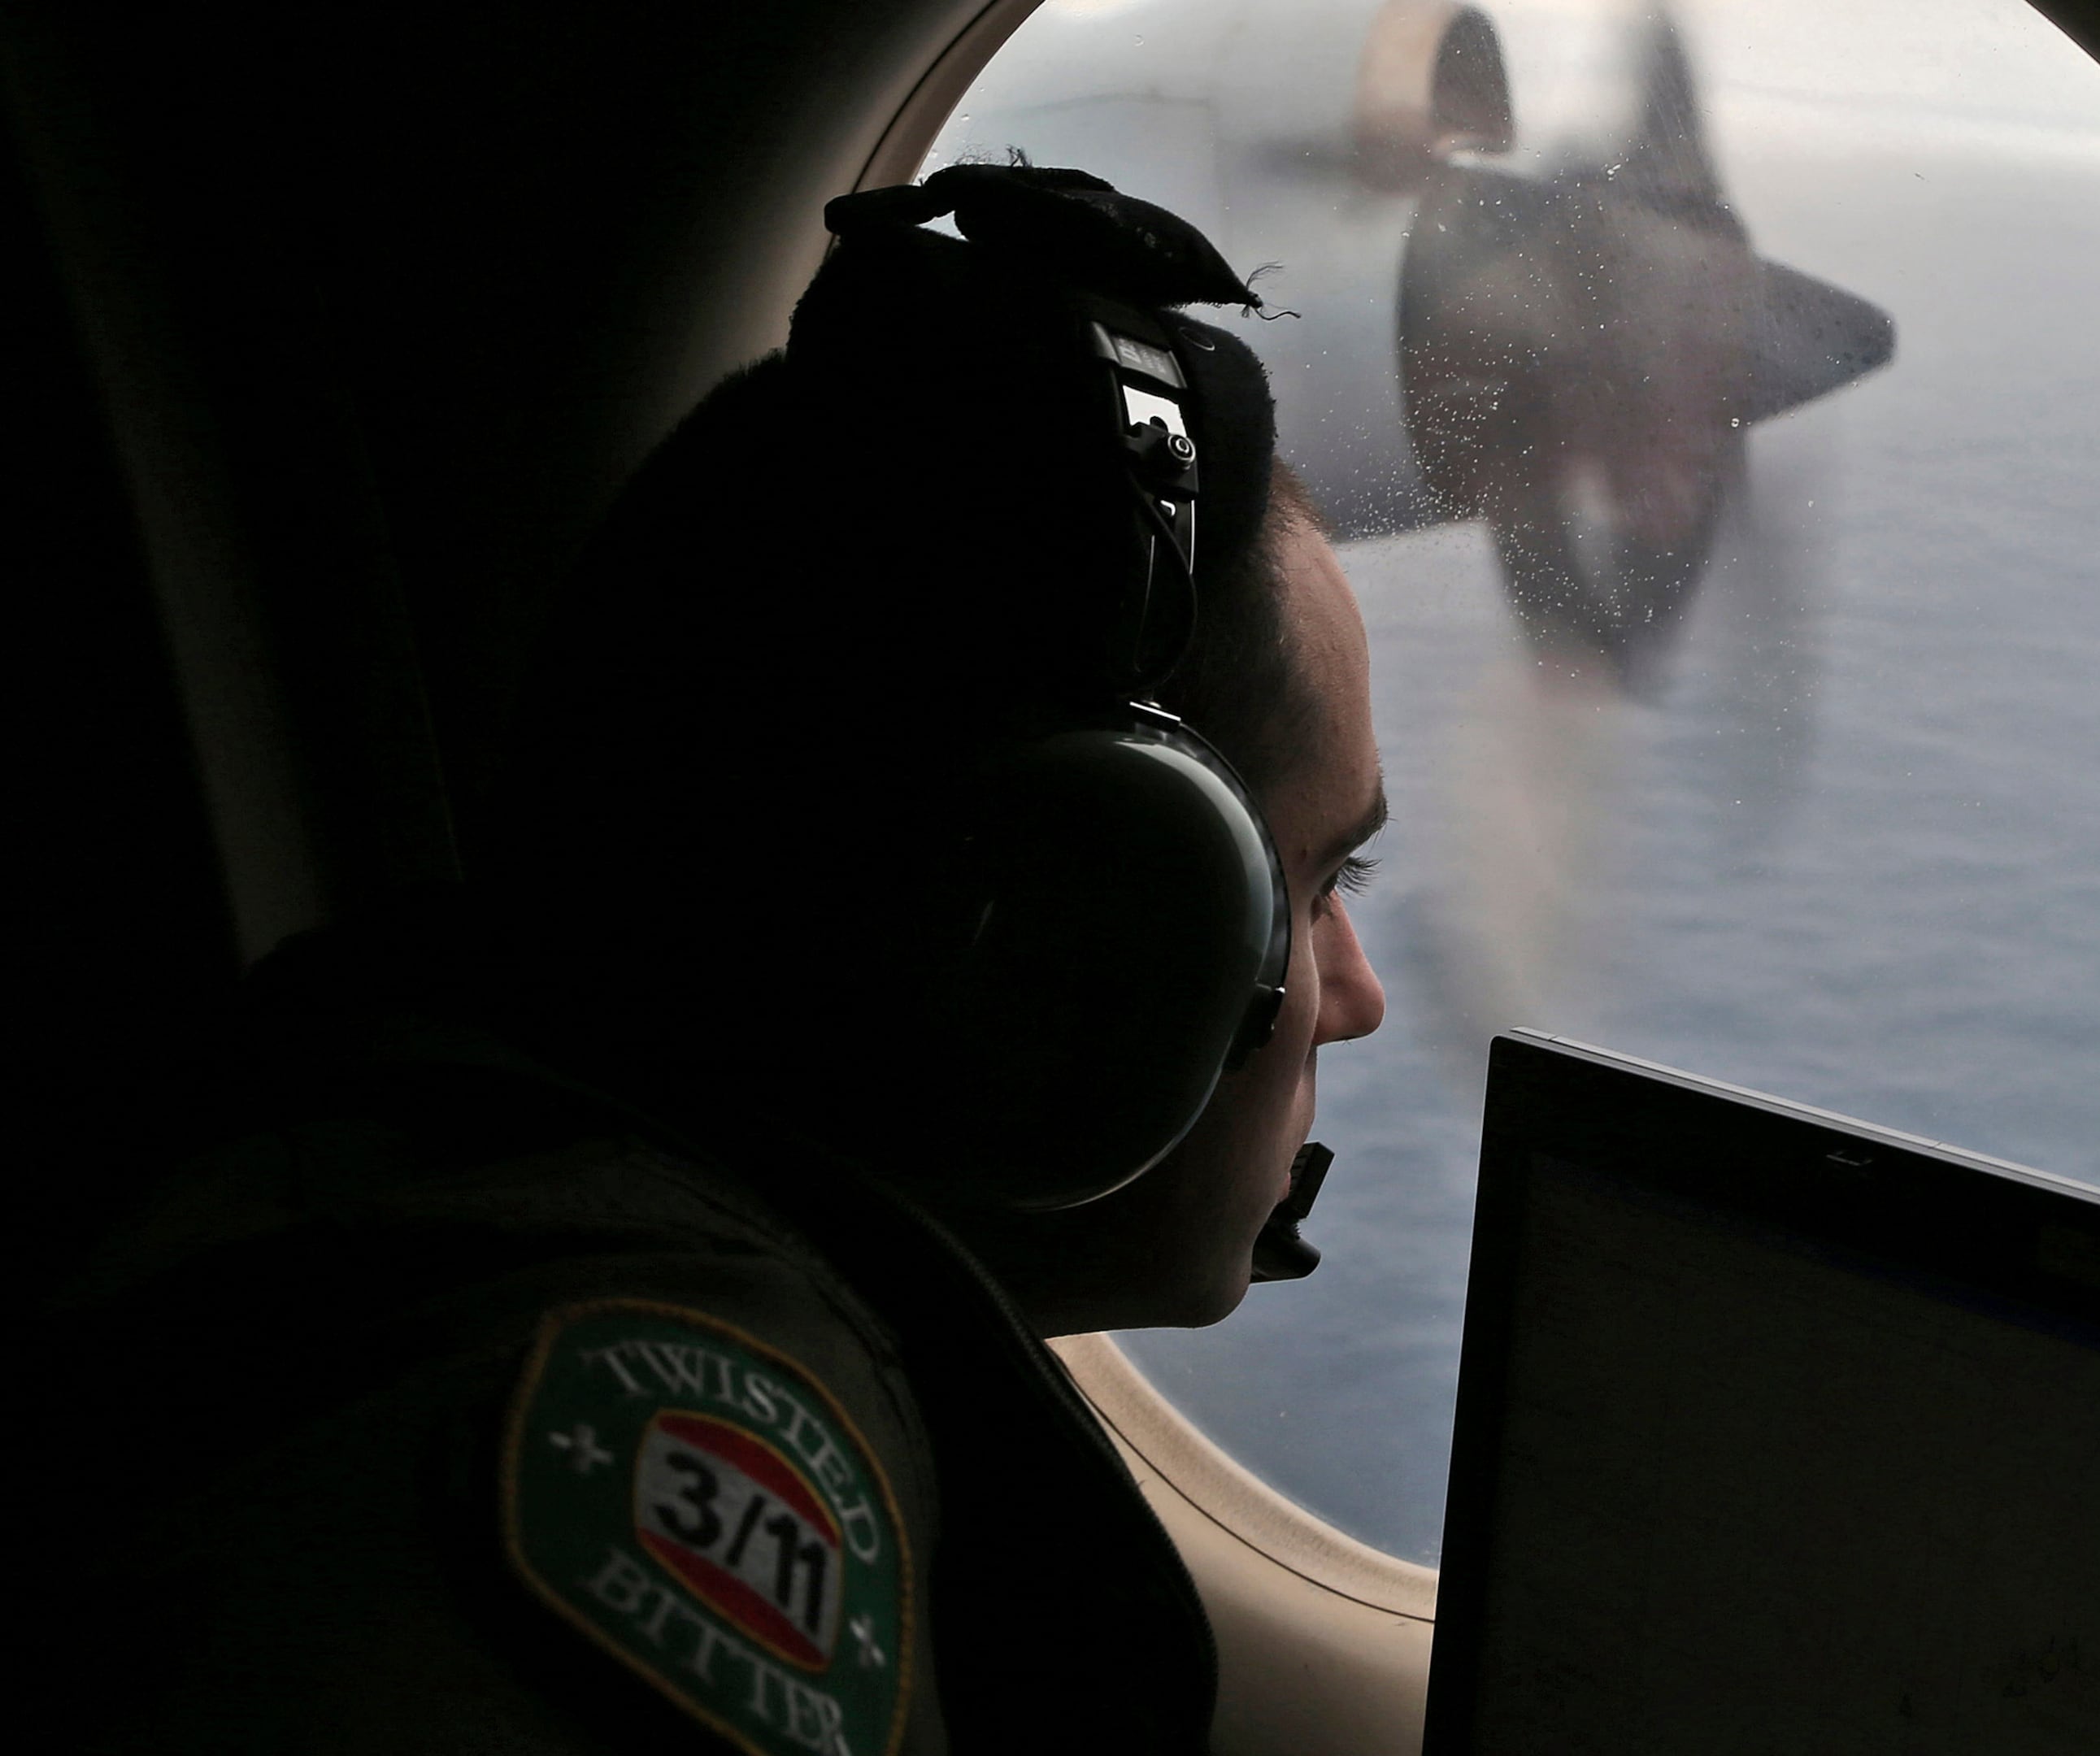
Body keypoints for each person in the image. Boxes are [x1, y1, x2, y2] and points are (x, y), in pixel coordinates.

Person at [47, 166, 1387, 1756]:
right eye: (1318, 885)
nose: (1357, 996)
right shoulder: (660, 1437)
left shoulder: (424, 1155)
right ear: (1067, 938)